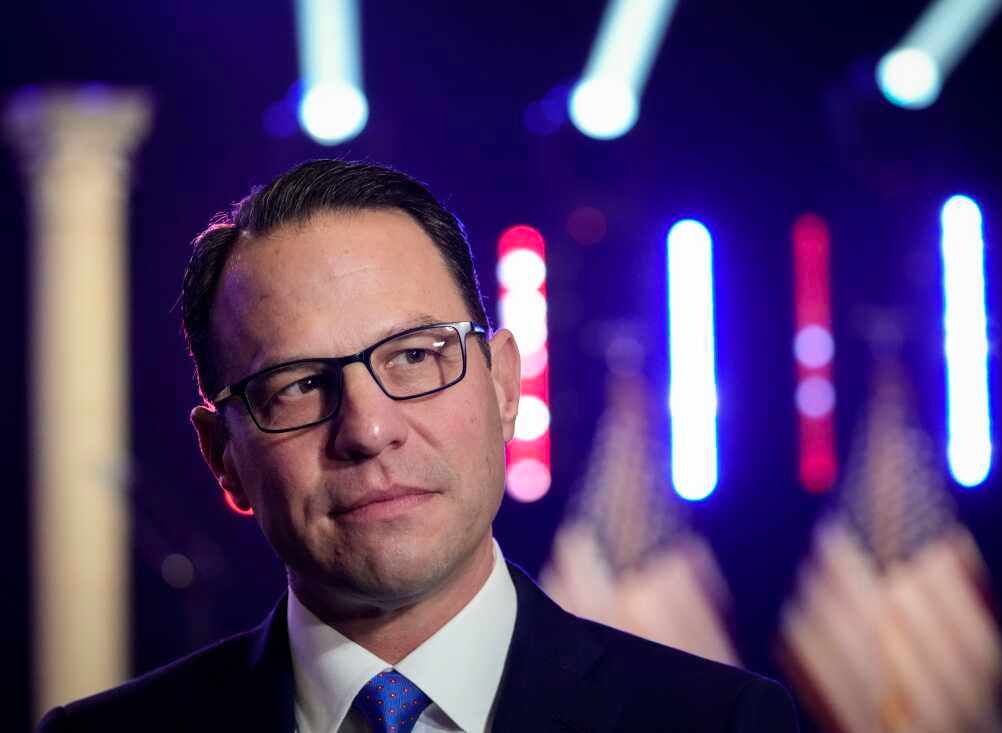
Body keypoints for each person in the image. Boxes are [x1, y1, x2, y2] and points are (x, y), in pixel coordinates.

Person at [37, 159, 799, 732]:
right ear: (223, 456)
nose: (368, 430)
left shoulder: (725, 723)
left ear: (505, 386)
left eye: (413, 355)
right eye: (298, 384)